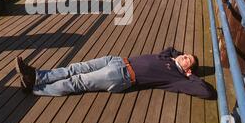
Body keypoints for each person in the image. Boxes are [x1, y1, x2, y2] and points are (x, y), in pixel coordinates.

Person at [15, 47, 216, 99]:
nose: (184, 56)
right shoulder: (168, 58)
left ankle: (35, 89)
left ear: (188, 68)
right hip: (116, 60)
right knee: (74, 67)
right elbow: (171, 48)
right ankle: (37, 76)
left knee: (78, 82)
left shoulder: (176, 78)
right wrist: (178, 57)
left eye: (188, 59)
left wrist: (190, 75)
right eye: (186, 54)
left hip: (121, 76)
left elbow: (206, 92)